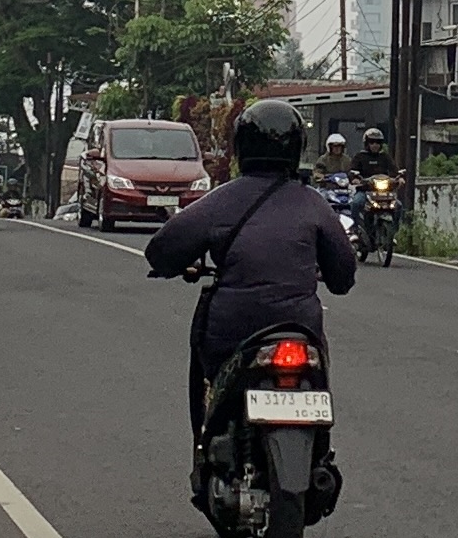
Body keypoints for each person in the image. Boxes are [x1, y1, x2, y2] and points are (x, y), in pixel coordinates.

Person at [144, 99, 356, 438]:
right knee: (318, 373)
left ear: (241, 146)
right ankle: (321, 449)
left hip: (232, 327)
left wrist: (174, 265)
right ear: (297, 147)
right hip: (301, 327)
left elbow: (161, 251)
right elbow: (344, 276)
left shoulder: (220, 200)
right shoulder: (314, 203)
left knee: (210, 376)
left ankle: (206, 443)